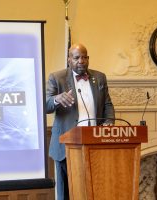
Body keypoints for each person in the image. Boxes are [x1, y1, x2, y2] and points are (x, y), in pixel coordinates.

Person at [46, 43, 115, 200]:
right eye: (77, 57)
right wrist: (56, 99)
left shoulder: (99, 77)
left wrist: (109, 122)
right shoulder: (57, 78)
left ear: (88, 59)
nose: (81, 61)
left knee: (93, 190)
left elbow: (107, 105)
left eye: (84, 57)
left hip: (95, 144)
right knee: (67, 193)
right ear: (69, 59)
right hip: (66, 147)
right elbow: (45, 104)